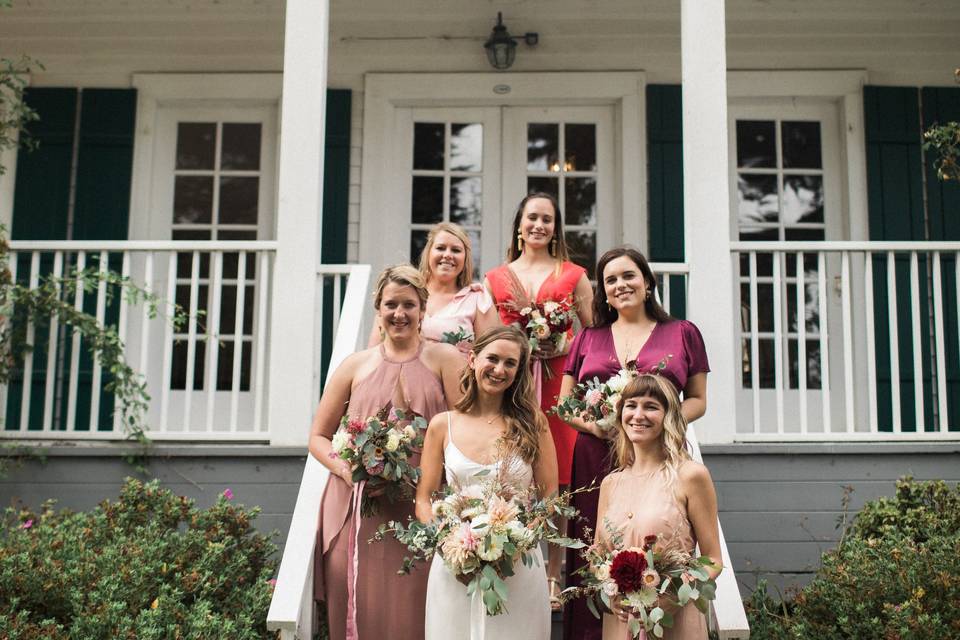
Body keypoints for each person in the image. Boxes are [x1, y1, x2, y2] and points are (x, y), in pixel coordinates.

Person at [560, 246, 709, 640]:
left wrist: (660, 424)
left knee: (658, 536)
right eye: (610, 280)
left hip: (661, 453)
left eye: (629, 276)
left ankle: (661, 620)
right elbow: (564, 404)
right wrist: (594, 426)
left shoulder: (682, 332)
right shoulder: (588, 338)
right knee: (596, 552)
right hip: (597, 455)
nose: (620, 285)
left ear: (647, 283)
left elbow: (698, 400)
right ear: (603, 292)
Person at [310, 265, 464, 640]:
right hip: (357, 507)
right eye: (391, 304)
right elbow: (318, 436)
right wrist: (348, 470)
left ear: (422, 309)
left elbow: (464, 430)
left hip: (419, 508)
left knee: (415, 610)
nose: (400, 313)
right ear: (378, 308)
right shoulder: (354, 365)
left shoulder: (445, 359)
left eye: (409, 304)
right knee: (359, 606)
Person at [484, 192, 593, 606]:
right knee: (513, 468)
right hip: (513, 385)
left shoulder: (572, 274)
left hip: (558, 386)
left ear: (555, 228)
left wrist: (561, 340)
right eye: (532, 218)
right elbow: (490, 336)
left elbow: (593, 333)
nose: (539, 226)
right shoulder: (496, 278)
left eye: (547, 219)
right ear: (519, 224)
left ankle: (553, 573)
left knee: (558, 474)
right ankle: (510, 560)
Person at [417, 326, 558, 640]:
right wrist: (444, 539)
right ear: (472, 359)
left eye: (510, 364)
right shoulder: (443, 425)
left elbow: (550, 494)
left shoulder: (533, 423)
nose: (499, 369)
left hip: (518, 564)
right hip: (456, 563)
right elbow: (424, 499)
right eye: (492, 359)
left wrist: (522, 539)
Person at [595, 374, 722, 639]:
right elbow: (598, 558)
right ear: (620, 414)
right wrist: (611, 596)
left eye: (651, 406)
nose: (638, 415)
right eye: (631, 405)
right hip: (621, 624)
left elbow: (713, 561)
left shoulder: (690, 476)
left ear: (668, 417)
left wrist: (671, 597)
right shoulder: (610, 483)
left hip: (674, 619)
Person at [369, 222, 498, 352]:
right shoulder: (406, 290)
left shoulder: (478, 299)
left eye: (456, 250)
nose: (447, 255)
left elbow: (490, 353)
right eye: (440, 248)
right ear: (429, 252)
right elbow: (374, 350)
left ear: (465, 258)